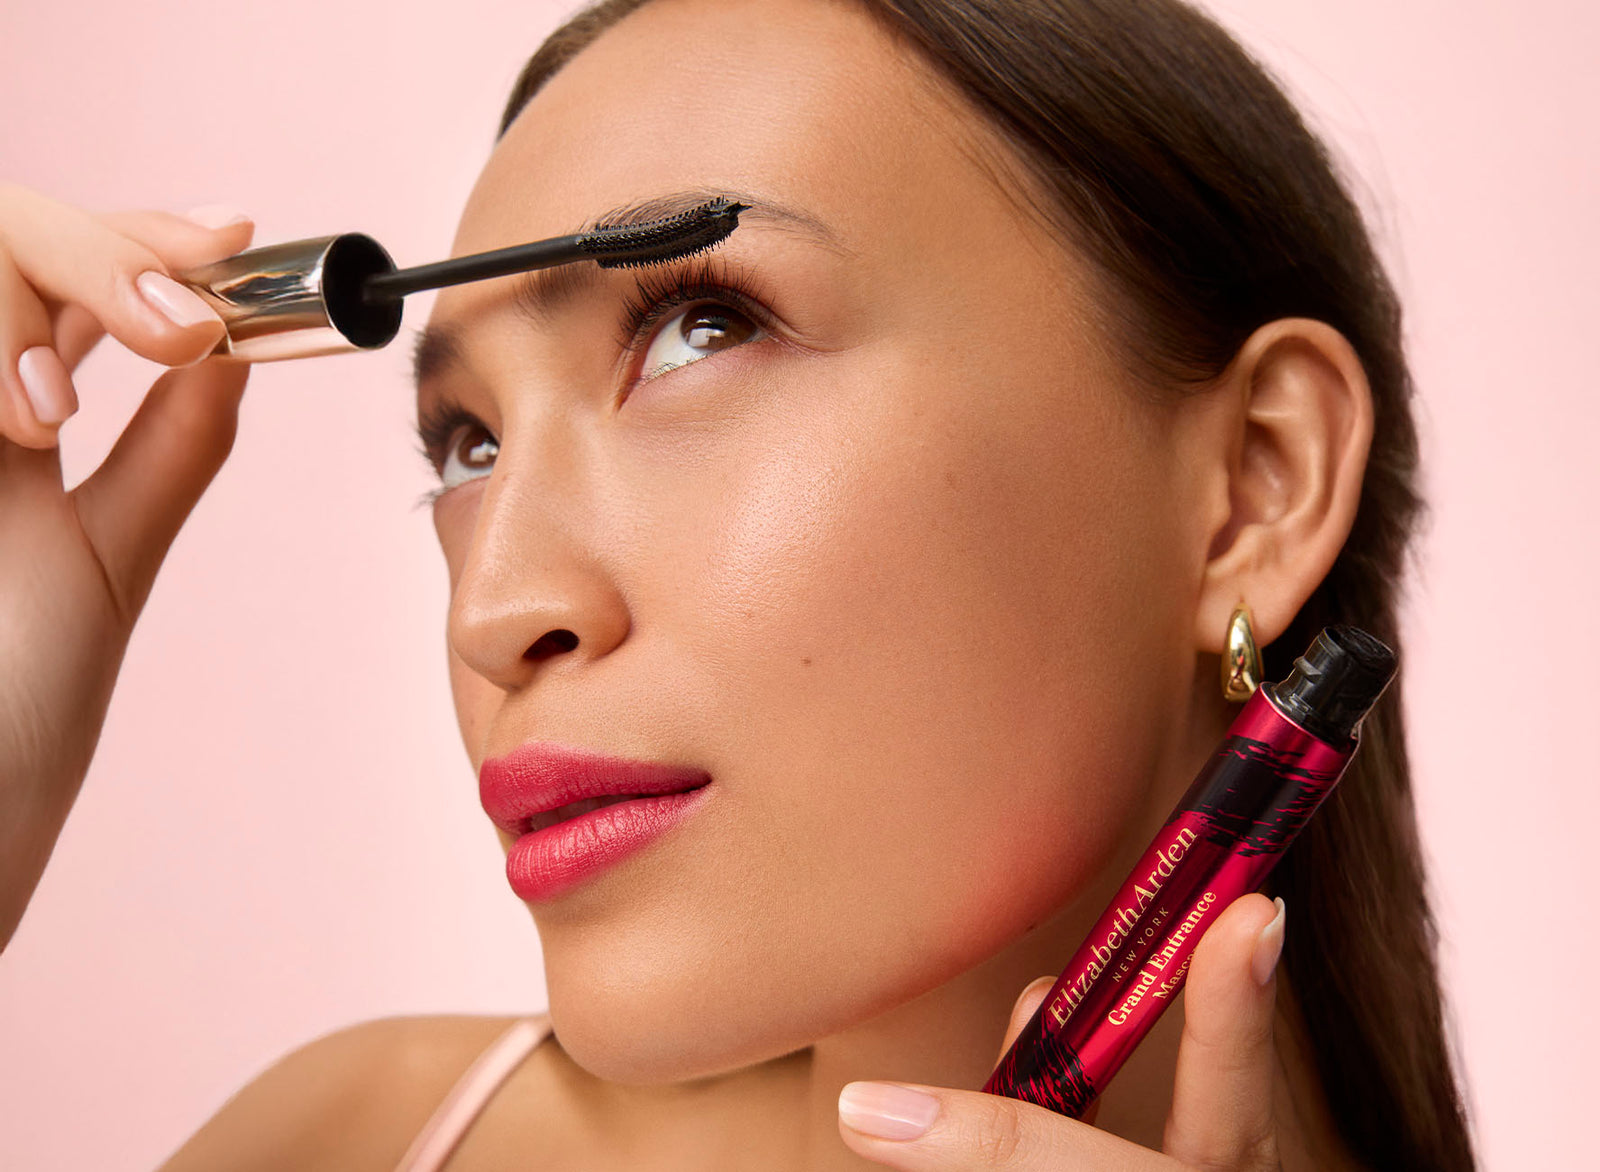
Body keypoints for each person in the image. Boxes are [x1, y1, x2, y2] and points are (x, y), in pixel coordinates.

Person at [0, 0, 1476, 1168]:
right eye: (468, 446)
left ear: (1255, 485)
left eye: (708, 330)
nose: (494, 611)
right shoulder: (353, 1139)